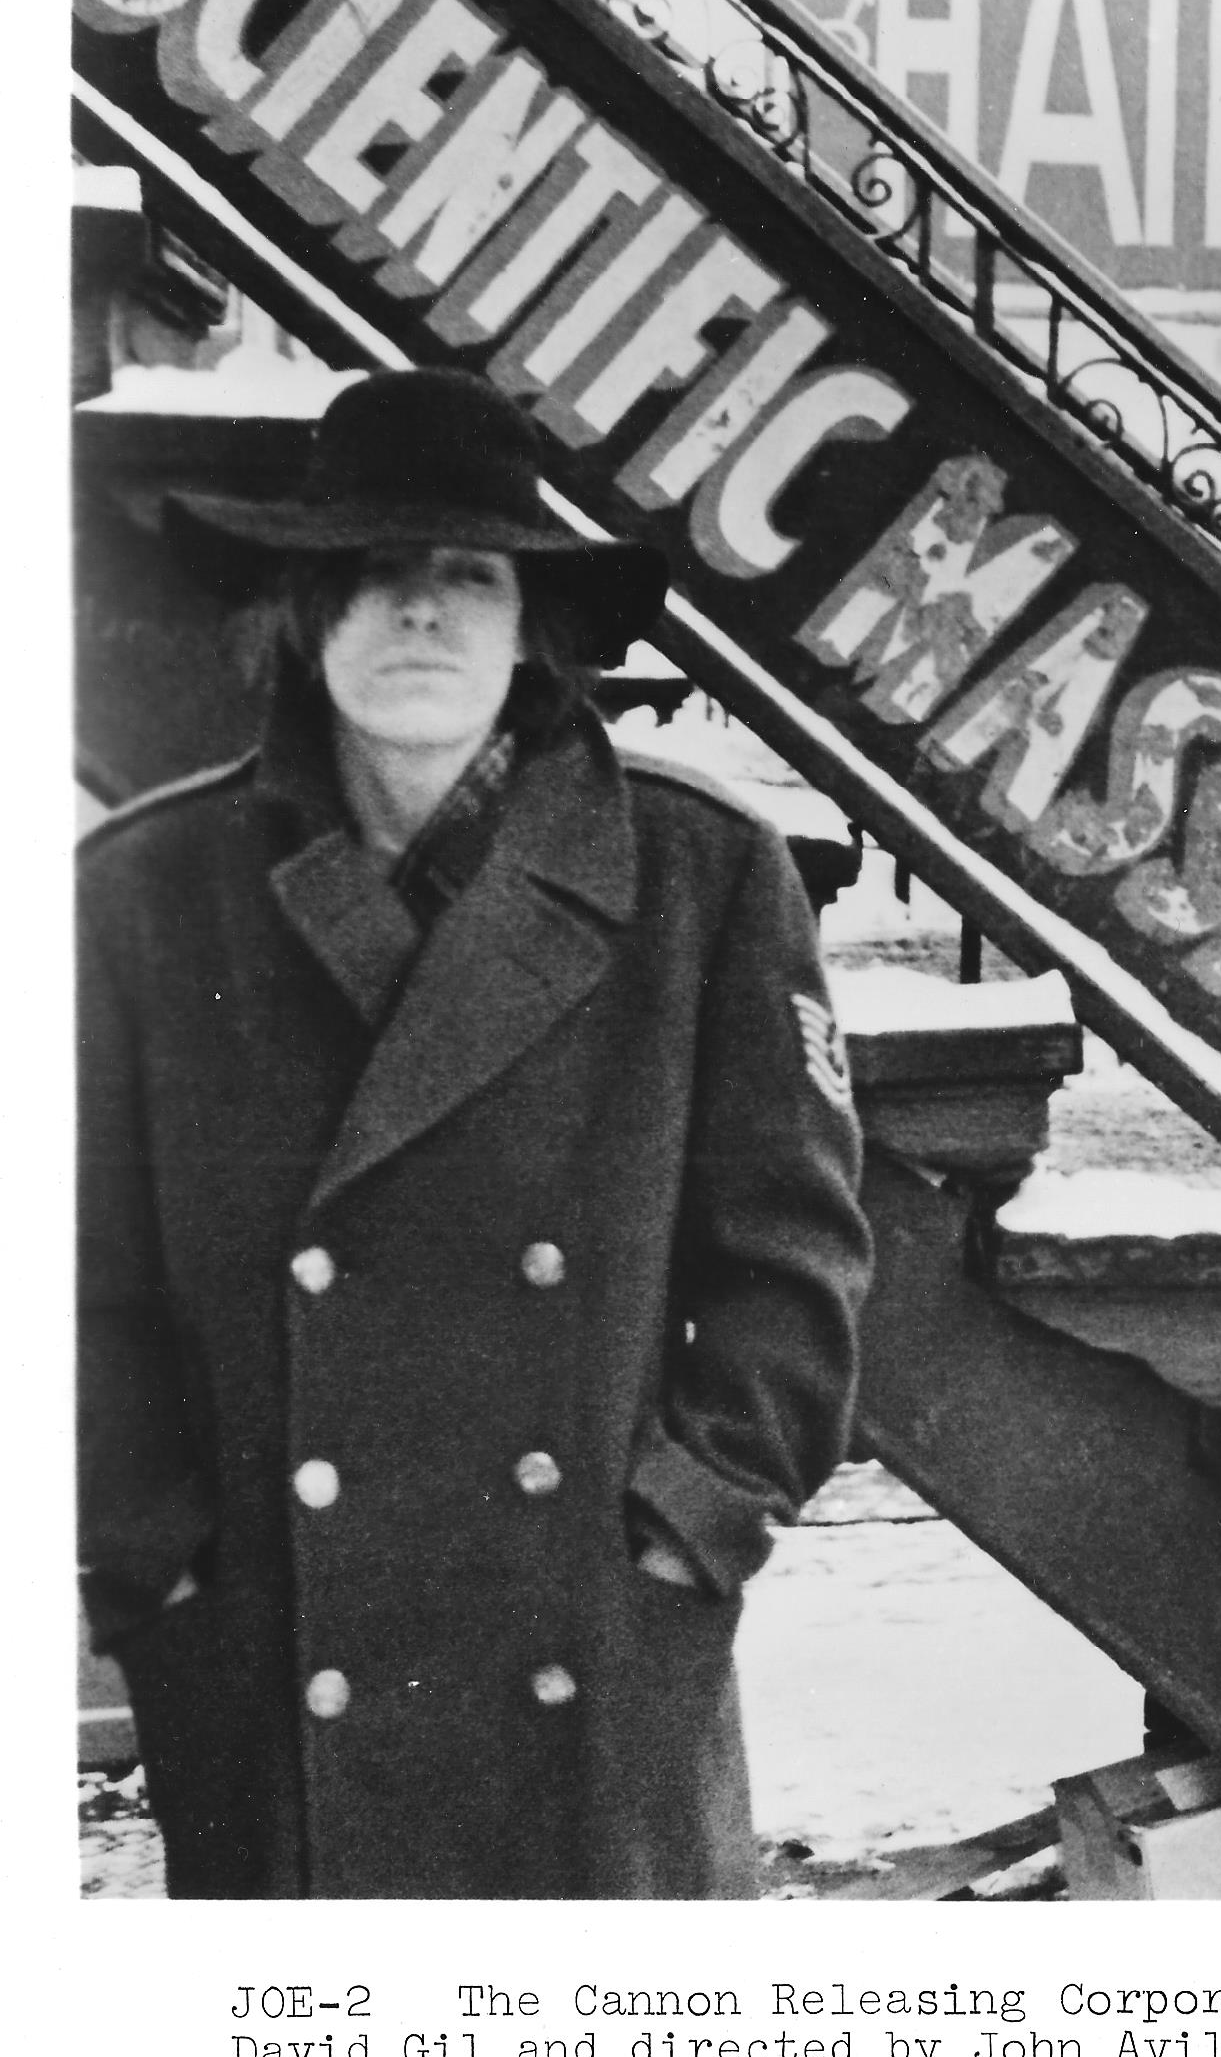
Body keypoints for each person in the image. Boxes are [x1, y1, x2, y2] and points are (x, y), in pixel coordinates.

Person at [78, 369, 874, 1898]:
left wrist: (688, 1526)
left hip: (587, 1646)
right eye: (374, 574)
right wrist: (155, 1553)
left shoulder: (699, 876)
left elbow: (793, 1265)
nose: (421, 614)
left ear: (532, 627)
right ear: (306, 615)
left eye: (467, 575)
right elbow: (72, 1284)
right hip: (269, 1650)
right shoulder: (139, 893)